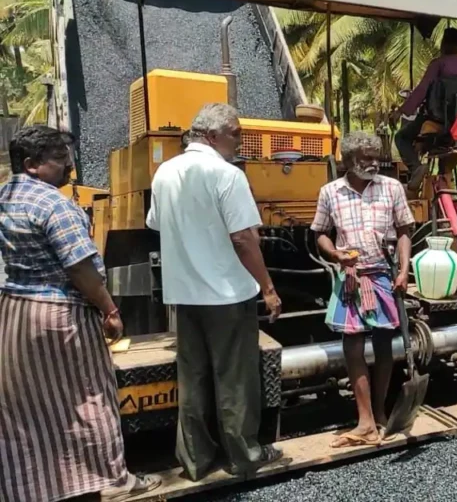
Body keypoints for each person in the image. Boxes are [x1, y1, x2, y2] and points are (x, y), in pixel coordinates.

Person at [0, 126, 160, 502]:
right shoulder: (55, 204)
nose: (70, 167)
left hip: (15, 315)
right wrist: (110, 309)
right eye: (60, 160)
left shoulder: (5, 196)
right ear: (32, 165)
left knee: (26, 408)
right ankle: (110, 481)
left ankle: (36, 487)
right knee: (90, 399)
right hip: (60, 318)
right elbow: (81, 269)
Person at [147, 103, 284, 480]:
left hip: (184, 295)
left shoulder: (164, 172)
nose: (240, 140)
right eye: (236, 133)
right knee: (235, 379)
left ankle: (195, 460)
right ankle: (245, 455)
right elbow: (243, 238)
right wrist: (268, 288)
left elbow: (157, 224)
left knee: (194, 379)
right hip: (225, 294)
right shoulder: (226, 174)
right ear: (212, 135)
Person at [311, 131, 414, 447]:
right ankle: (364, 420)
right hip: (350, 279)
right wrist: (335, 254)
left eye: (376, 156)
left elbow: (404, 230)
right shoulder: (330, 192)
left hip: (382, 276)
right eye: (366, 157)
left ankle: (380, 414)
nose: (374, 163)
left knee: (384, 347)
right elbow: (320, 233)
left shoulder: (392, 187)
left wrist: (403, 270)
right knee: (352, 348)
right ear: (348, 160)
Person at [393, 28, 457, 189]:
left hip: (437, 121)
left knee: (401, 137)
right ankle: (443, 183)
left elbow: (422, 90)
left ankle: (416, 167)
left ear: (443, 44)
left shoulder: (439, 64)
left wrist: (402, 111)